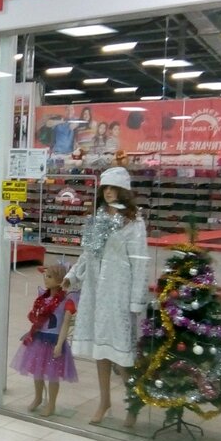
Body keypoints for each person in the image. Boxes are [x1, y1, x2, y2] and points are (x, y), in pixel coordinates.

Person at [63, 166, 149, 424]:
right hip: (96, 292)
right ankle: (104, 401)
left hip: (118, 293)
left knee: (122, 355)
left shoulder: (134, 223)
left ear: (123, 190)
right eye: (106, 188)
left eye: (114, 188)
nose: (109, 193)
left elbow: (140, 263)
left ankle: (133, 404)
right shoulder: (97, 218)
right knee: (100, 351)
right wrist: (72, 276)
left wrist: (136, 300)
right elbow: (87, 254)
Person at [10, 263, 78, 416]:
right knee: (37, 371)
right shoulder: (43, 298)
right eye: (46, 276)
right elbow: (38, 319)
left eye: (50, 277)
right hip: (39, 338)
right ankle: (38, 397)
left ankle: (51, 404)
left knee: (53, 376)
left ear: (60, 280)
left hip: (54, 341)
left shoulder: (66, 301)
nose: (46, 279)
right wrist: (31, 333)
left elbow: (65, 325)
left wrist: (60, 344)